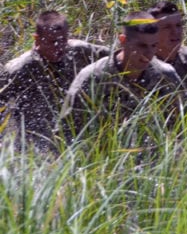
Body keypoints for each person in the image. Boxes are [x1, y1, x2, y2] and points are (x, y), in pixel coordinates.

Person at [60, 12, 187, 143]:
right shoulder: (93, 77)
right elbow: (65, 129)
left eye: (154, 45)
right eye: (142, 46)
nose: (149, 53)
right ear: (123, 41)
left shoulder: (164, 75)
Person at [0, 10, 109, 149]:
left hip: (77, 139)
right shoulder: (18, 69)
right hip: (34, 145)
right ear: (37, 39)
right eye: (52, 42)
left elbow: (118, 59)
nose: (59, 47)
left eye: (63, 40)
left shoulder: (80, 51)